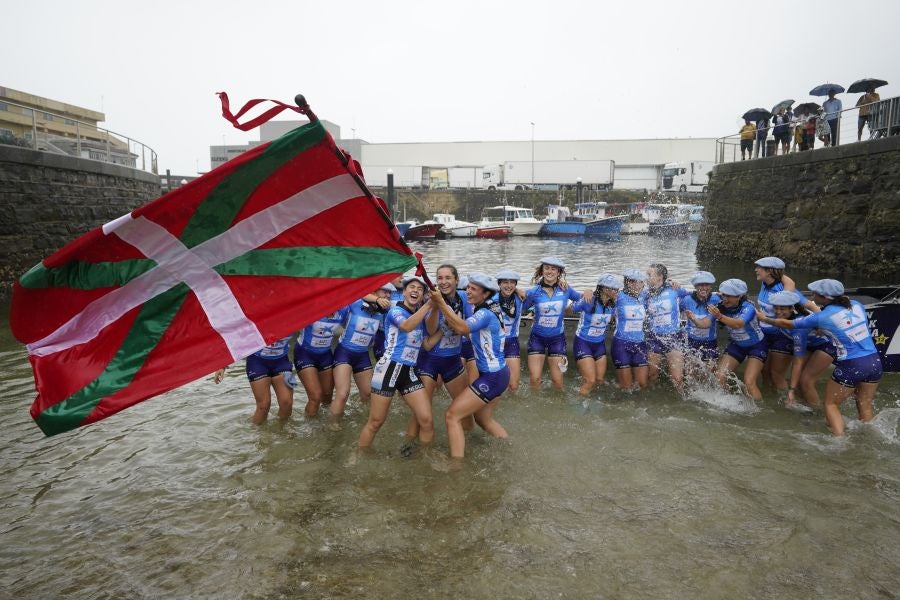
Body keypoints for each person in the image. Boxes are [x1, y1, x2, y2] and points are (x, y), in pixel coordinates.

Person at [758, 279, 883, 436]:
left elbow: (790, 324)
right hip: (874, 362)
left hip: (852, 364)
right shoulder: (856, 304)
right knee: (864, 404)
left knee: (831, 404)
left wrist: (765, 319)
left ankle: (840, 443)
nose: (812, 295)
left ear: (825, 298)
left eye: (815, 293)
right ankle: (869, 438)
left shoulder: (822, 317)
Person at [430, 273, 509, 459]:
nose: (468, 291)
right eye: (468, 288)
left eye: (473, 289)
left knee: (452, 416)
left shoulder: (484, 313)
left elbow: (463, 328)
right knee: (483, 419)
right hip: (497, 373)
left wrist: (441, 303)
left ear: (485, 294)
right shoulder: (488, 306)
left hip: (493, 376)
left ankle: (456, 466)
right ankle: (507, 449)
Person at [358, 275, 438, 451]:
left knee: (426, 419)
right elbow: (407, 326)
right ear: (404, 292)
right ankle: (358, 456)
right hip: (388, 368)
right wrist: (429, 305)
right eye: (411, 287)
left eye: (419, 288)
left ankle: (423, 457)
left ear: (424, 294)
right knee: (376, 422)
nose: (415, 290)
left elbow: (426, 344)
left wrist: (445, 330)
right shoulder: (395, 311)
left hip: (408, 372)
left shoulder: (420, 316)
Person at [407, 264, 471, 441]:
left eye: (448, 278)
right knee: (421, 414)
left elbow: (469, 327)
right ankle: (410, 446)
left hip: (453, 361)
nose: (443, 282)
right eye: (440, 278)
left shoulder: (465, 297)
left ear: (456, 280)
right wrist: (436, 306)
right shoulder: (431, 299)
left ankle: (470, 442)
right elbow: (430, 328)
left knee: (464, 412)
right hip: (429, 361)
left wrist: (518, 291)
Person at [522, 257, 582, 390]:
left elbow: (583, 299)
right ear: (542, 271)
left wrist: (589, 292)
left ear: (559, 272)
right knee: (535, 379)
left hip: (557, 339)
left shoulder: (566, 289)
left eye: (553, 269)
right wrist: (517, 291)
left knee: (557, 382)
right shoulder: (533, 292)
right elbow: (519, 307)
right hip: (537, 338)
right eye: (546, 268)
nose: (549, 271)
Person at [330, 292, 387, 424]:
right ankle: (333, 424)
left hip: (362, 355)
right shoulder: (355, 303)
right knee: (343, 394)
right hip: (344, 352)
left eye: (390, 292)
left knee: (368, 394)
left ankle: (360, 417)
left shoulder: (384, 311)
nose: (388, 295)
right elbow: (353, 290)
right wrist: (376, 298)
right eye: (385, 291)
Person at [707, 278, 767, 401]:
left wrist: (719, 316)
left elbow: (738, 324)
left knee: (749, 382)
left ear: (739, 296)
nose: (725, 298)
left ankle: (761, 411)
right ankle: (730, 402)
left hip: (756, 346)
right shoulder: (720, 305)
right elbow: (705, 322)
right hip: (737, 345)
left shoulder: (748, 307)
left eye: (729, 296)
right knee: (719, 377)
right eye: (723, 294)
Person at [214, 335, 294, 425]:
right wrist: (222, 366)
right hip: (257, 362)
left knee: (287, 404)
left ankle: (281, 433)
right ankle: (260, 436)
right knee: (263, 406)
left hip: (281, 361)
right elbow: (236, 337)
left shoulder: (293, 320)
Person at [754, 256, 800, 398]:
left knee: (776, 373)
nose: (756, 270)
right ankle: (771, 397)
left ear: (769, 271)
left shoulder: (783, 287)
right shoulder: (764, 283)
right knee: (765, 371)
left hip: (782, 334)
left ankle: (789, 403)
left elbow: (789, 283)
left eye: (759, 268)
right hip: (765, 334)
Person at [293, 307, 348, 417]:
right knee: (315, 396)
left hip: (325, 355)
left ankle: (325, 423)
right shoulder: (311, 308)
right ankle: (311, 428)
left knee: (327, 395)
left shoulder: (343, 310)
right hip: (304, 354)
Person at [571, 273, 619, 396]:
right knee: (590, 381)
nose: (615, 292)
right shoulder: (589, 301)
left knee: (598, 380)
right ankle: (579, 405)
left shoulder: (613, 304)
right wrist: (584, 293)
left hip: (599, 345)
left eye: (616, 289)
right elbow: (569, 310)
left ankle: (591, 404)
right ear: (603, 289)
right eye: (613, 289)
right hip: (583, 343)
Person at [644, 263, 686, 391]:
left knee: (677, 378)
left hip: (673, 337)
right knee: (652, 375)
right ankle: (653, 401)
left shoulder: (674, 289)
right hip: (653, 337)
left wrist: (677, 283)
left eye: (649, 274)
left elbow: (693, 297)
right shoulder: (645, 293)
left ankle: (681, 403)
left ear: (659, 277)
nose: (646, 277)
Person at [611, 269, 649, 391]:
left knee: (642, 384)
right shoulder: (617, 296)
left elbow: (661, 287)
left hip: (640, 344)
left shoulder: (644, 296)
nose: (636, 285)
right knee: (626, 387)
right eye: (632, 282)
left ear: (643, 284)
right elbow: (600, 296)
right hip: (621, 344)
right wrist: (589, 292)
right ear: (626, 283)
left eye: (639, 282)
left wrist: (673, 283)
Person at [679, 271, 721, 372]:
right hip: (691, 341)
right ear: (695, 286)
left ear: (711, 286)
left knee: (711, 373)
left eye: (707, 285)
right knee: (691, 372)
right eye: (700, 285)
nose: (704, 288)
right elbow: (677, 310)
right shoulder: (687, 300)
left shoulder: (717, 299)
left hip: (710, 341)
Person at [495, 269, 526, 392]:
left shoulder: (521, 298)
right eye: (505, 282)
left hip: (511, 342)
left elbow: (542, 289)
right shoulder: (491, 299)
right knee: (496, 384)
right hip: (494, 343)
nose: (509, 286)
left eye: (512, 282)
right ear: (499, 284)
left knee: (513, 386)